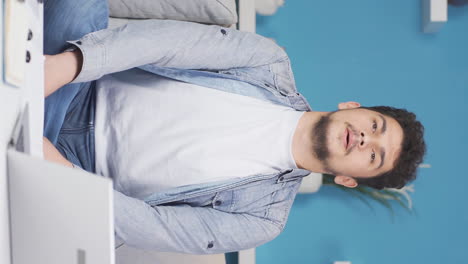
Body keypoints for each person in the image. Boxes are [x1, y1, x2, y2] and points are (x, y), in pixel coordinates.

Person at [43, 0, 426, 254]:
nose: (364, 139)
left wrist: (64, 175)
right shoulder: (267, 62)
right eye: (375, 126)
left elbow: (157, 228)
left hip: (81, 172)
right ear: (352, 107)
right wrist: (63, 68)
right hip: (80, 81)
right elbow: (167, 44)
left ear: (347, 180)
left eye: (373, 155)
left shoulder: (263, 220)